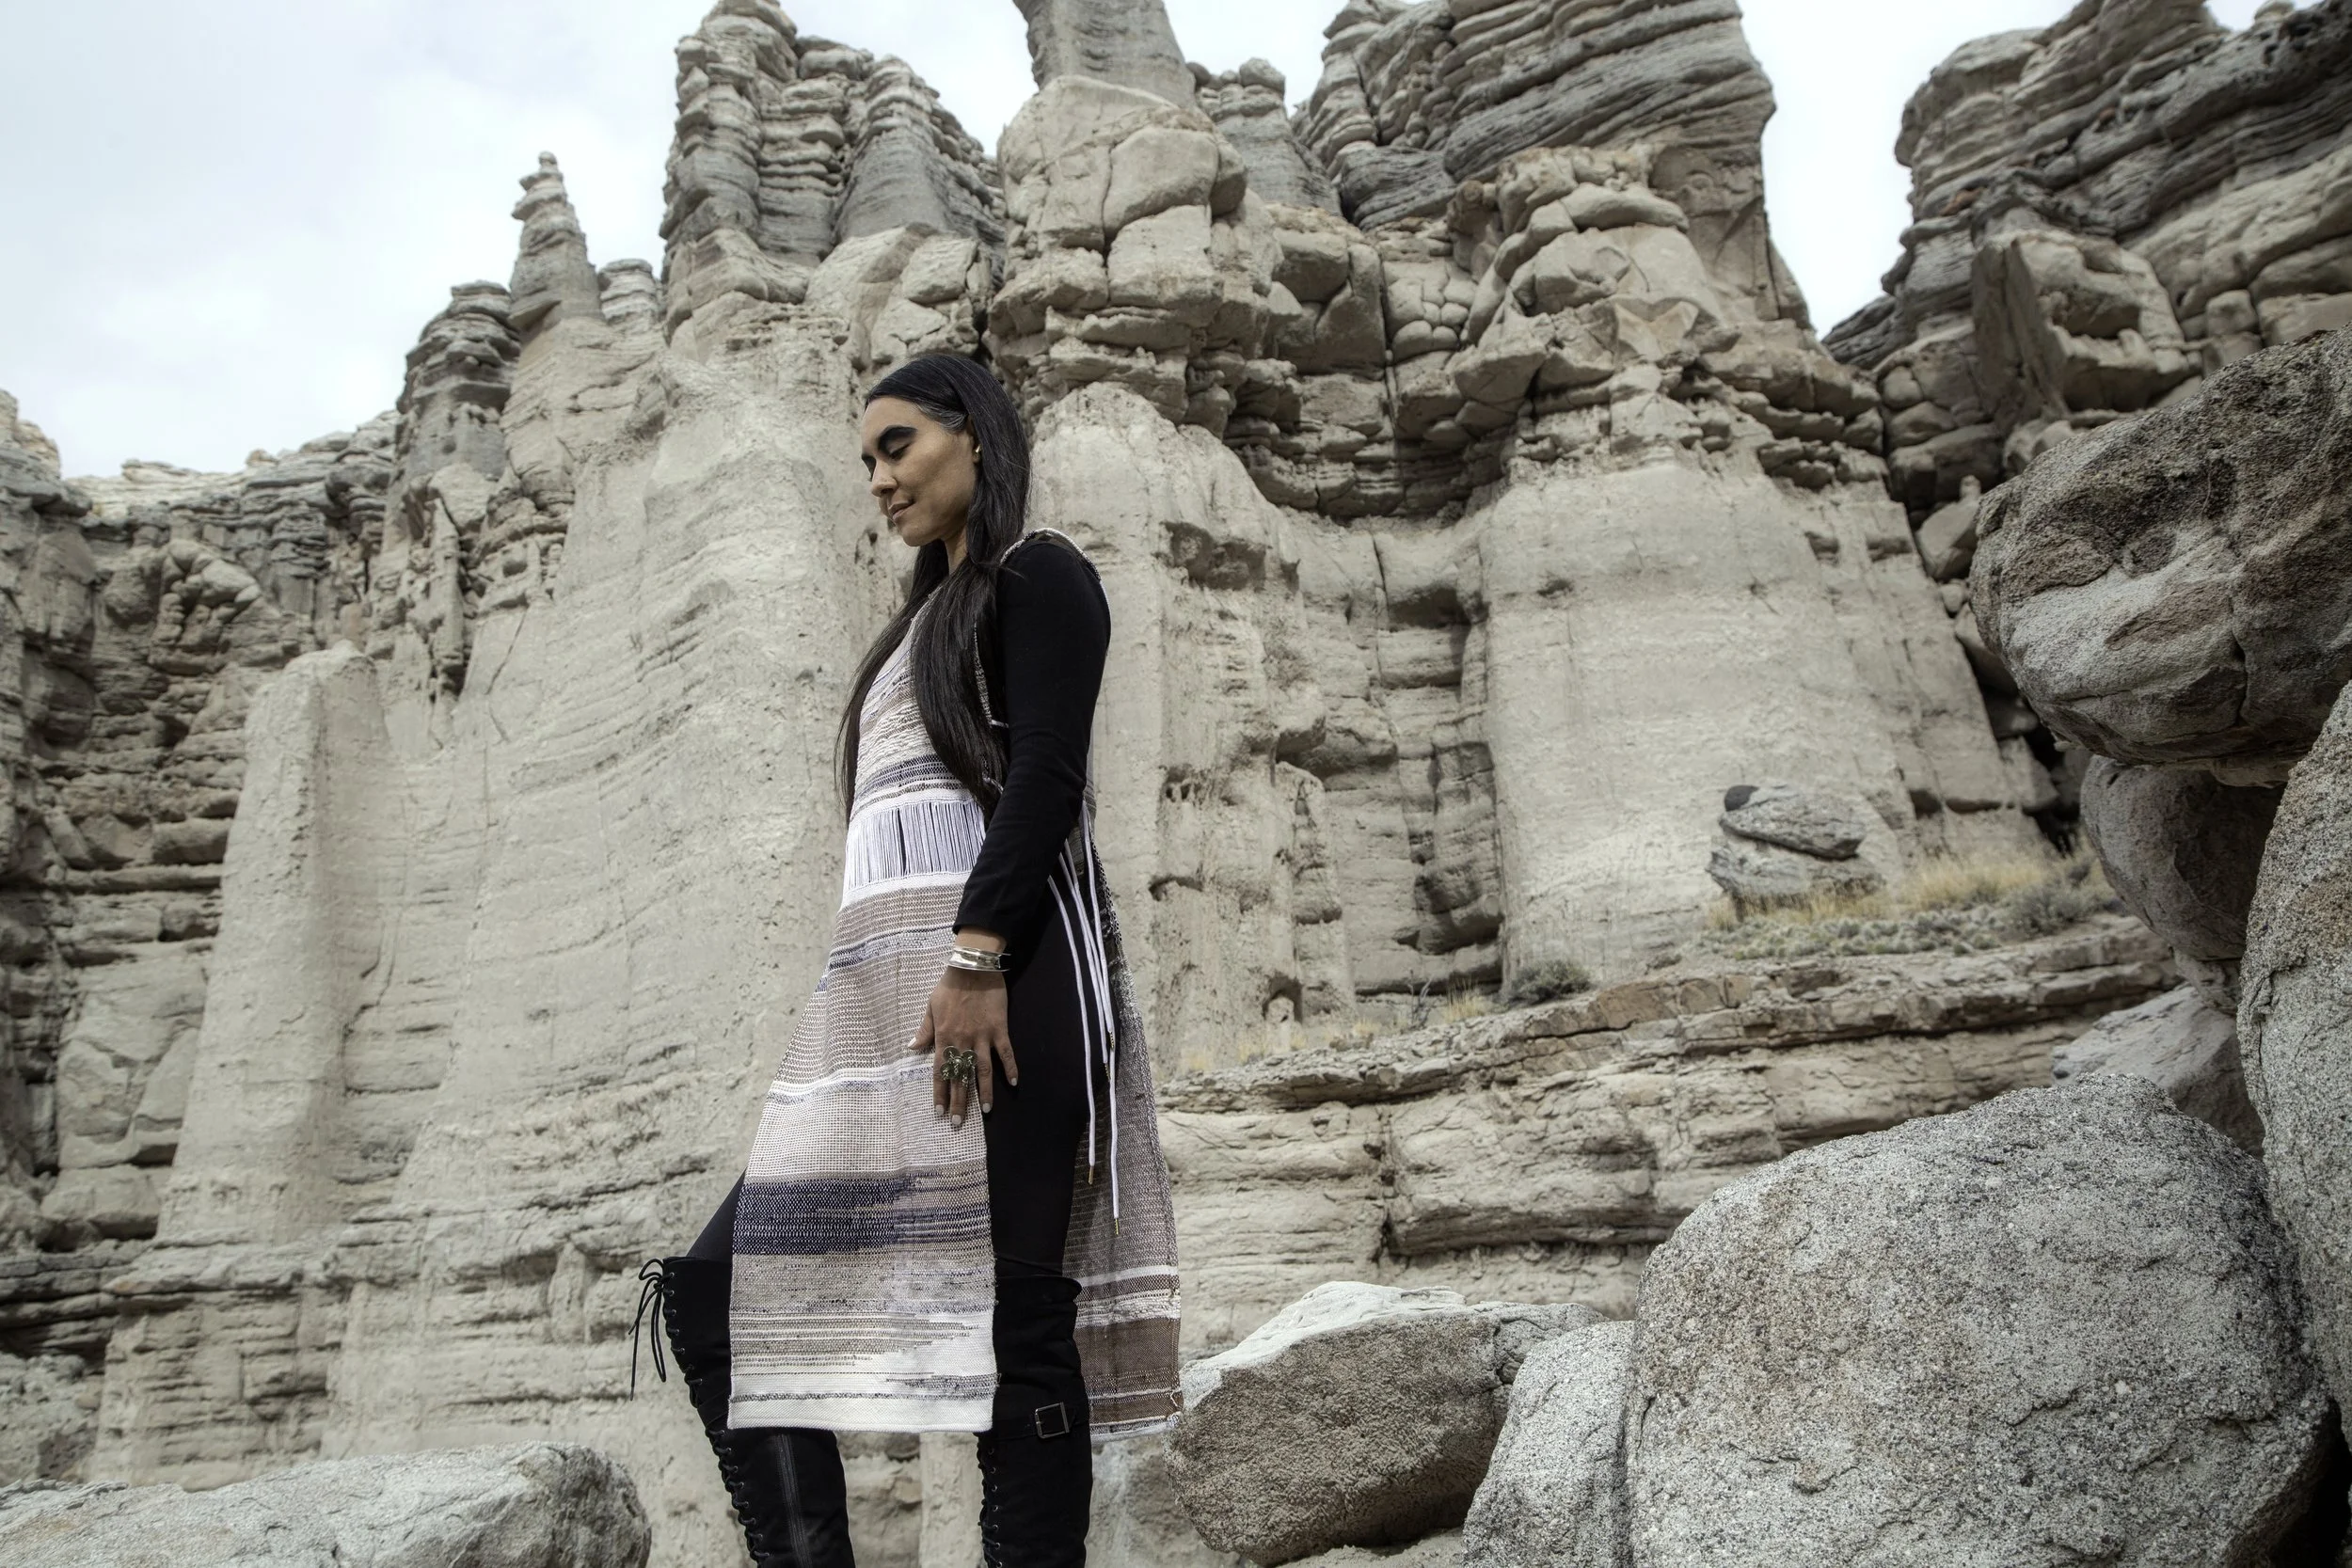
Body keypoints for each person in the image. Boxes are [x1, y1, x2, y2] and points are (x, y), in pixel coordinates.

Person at [634, 352, 1181, 1568]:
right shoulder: (911, 632)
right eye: (867, 460)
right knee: (720, 1289)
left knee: (1015, 1326)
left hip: (1010, 990)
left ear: (974, 433)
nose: (880, 478)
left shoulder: (1040, 573)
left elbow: (1047, 775)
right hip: (893, 1015)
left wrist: (979, 958)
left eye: (900, 445)